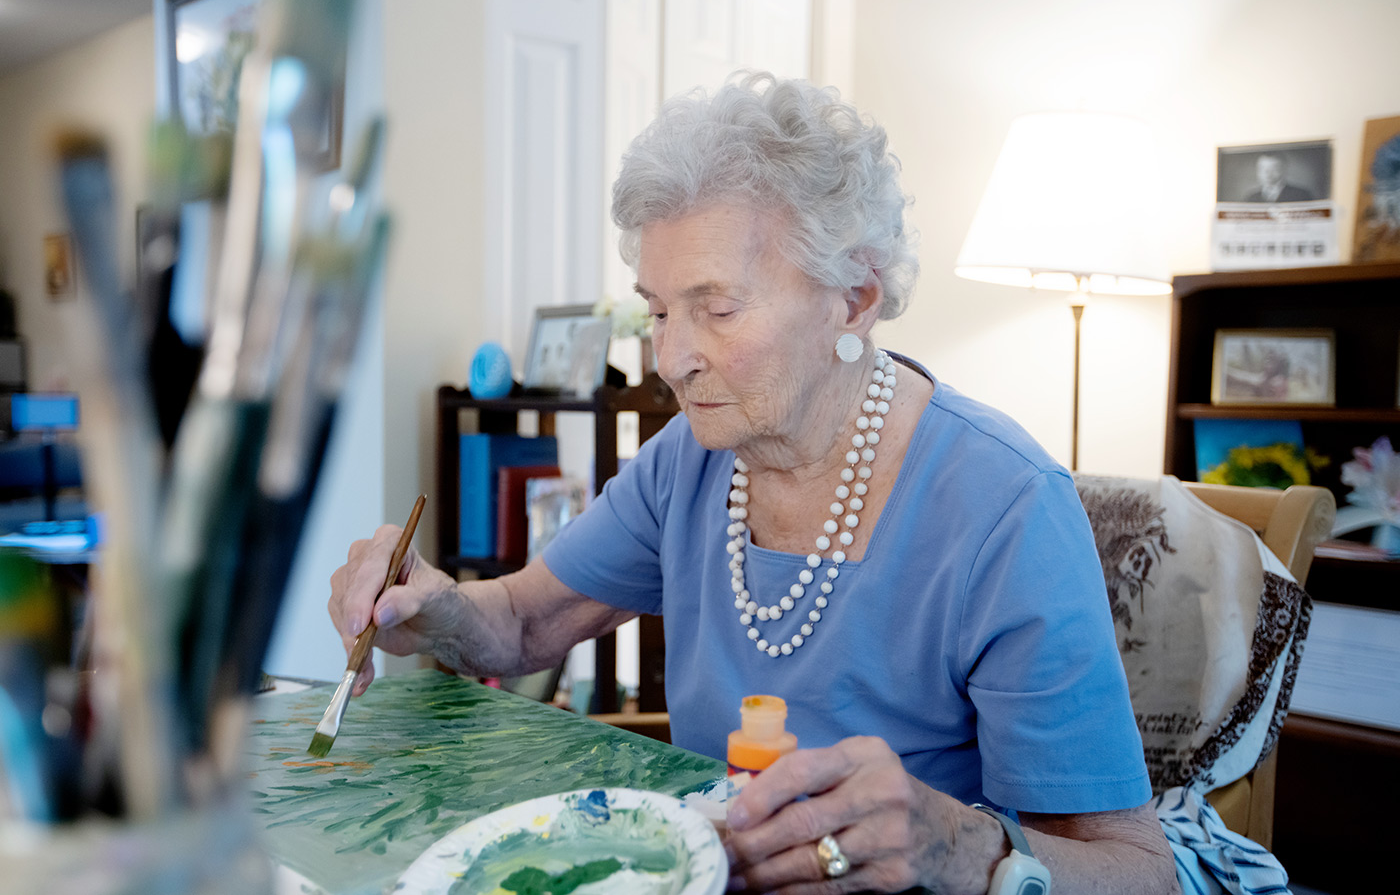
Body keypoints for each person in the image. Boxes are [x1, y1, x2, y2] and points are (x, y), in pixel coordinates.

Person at [329, 73, 1178, 894]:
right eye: (659, 310)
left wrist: (960, 849)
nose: (672, 357)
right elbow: (520, 623)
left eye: (717, 308)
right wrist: (429, 606)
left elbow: (1139, 873)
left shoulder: (1005, 508)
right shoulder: (688, 461)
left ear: (852, 299)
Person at [1242, 152, 1315, 202]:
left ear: (1284, 169)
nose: (1267, 173)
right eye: (1262, 168)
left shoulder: (1302, 195)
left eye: (1273, 168)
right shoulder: (1251, 198)